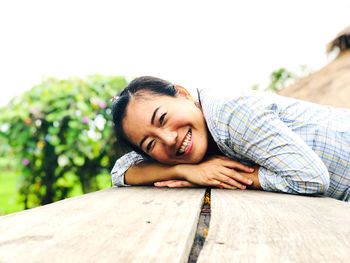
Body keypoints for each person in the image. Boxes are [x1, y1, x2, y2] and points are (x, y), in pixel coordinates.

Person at [110, 76, 350, 202]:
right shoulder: (200, 136)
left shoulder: (227, 114)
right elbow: (120, 171)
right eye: (151, 144)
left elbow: (311, 179)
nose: (169, 139)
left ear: (182, 94)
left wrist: (221, 177)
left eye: (162, 118)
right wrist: (185, 171)